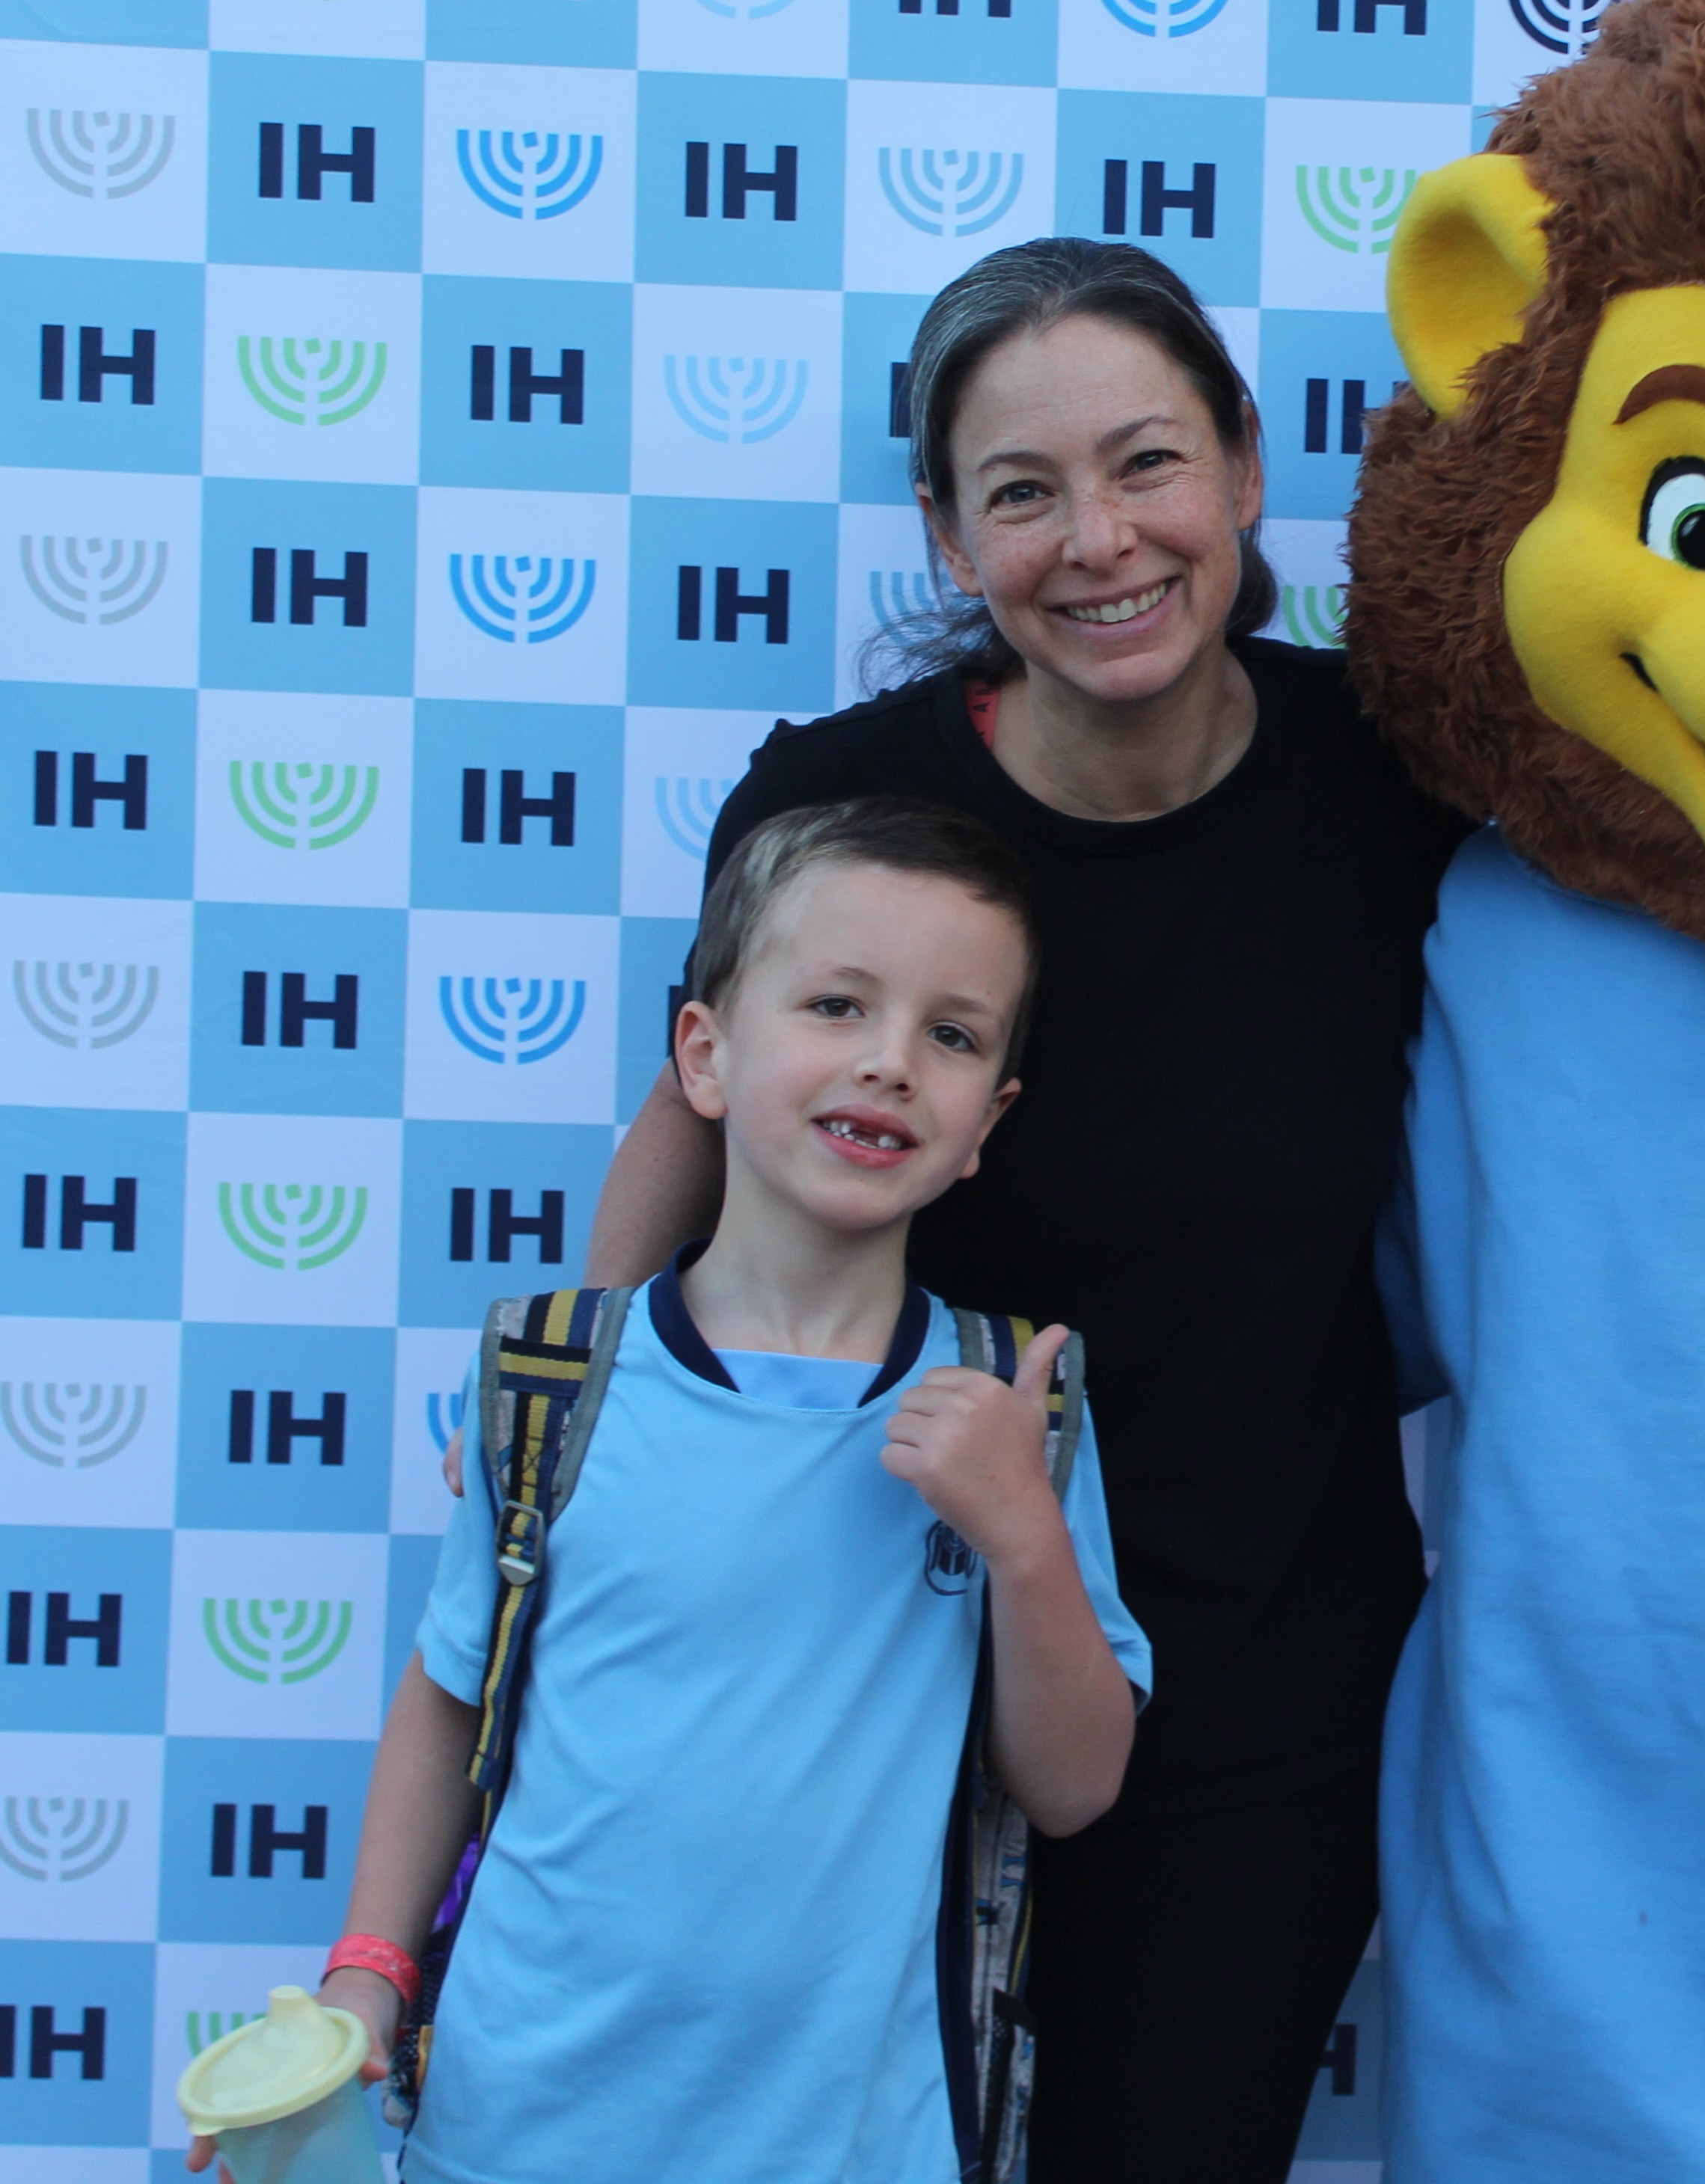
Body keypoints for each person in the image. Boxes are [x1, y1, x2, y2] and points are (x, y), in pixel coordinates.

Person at [570, 240, 1464, 2181]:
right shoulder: (838, 803)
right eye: (1022, 491)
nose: (1098, 540)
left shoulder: (1397, 782)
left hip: (1253, 1706)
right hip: (859, 1673)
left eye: (1146, 462)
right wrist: (567, 1444)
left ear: (1243, 468)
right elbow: (695, 1125)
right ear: (947, 534)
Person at [216, 797, 1148, 2184]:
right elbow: (451, 1692)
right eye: (836, 1005)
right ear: (704, 1055)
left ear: (984, 1125)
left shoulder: (1017, 1407)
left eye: (952, 1036)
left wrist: (1022, 1539)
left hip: (858, 2146)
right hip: (514, 2132)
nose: (889, 1062)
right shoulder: (547, 1377)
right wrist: (369, 1968)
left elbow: (1073, 1791)